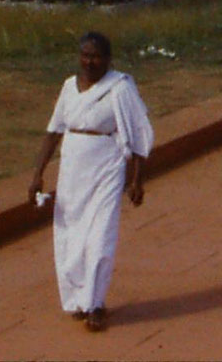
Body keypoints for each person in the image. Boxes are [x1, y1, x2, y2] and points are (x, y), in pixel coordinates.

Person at [27, 32, 153, 333]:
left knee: (100, 237)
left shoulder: (120, 88)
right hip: (72, 170)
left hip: (107, 169)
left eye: (96, 56)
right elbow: (54, 131)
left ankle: (95, 304)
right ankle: (77, 299)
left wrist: (137, 180)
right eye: (85, 54)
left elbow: (138, 133)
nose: (89, 61)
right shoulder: (69, 87)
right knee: (71, 239)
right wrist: (37, 175)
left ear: (108, 59)